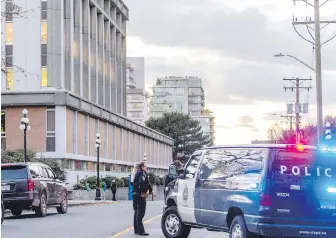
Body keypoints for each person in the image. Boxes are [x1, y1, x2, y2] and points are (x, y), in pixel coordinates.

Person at [133, 162, 152, 236]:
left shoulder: (138, 173)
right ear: (142, 167)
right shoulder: (142, 174)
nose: (147, 167)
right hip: (140, 195)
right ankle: (141, 231)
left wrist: (149, 190)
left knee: (136, 212)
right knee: (140, 213)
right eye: (146, 166)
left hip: (135, 194)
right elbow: (142, 184)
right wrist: (145, 192)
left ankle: (136, 229)